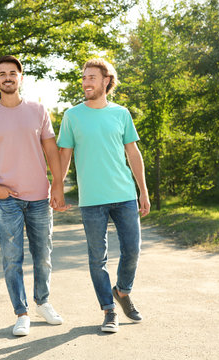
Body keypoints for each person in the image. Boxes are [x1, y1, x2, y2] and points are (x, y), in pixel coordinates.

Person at [0, 55, 69, 336]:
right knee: (12, 259)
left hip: (40, 197)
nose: (7, 77)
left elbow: (52, 151)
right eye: (2, 74)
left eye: (12, 73)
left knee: (43, 256)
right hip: (7, 200)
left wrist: (58, 184)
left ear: (21, 77)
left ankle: (43, 302)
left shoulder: (38, 111)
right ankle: (21, 313)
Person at [57, 58, 150, 333]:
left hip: (124, 194)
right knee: (97, 258)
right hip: (91, 199)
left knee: (132, 249)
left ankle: (122, 291)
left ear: (107, 81)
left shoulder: (121, 113)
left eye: (92, 78)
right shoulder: (72, 116)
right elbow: (65, 154)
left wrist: (143, 190)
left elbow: (133, 153)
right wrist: (57, 188)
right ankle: (109, 310)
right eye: (84, 78)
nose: (86, 82)